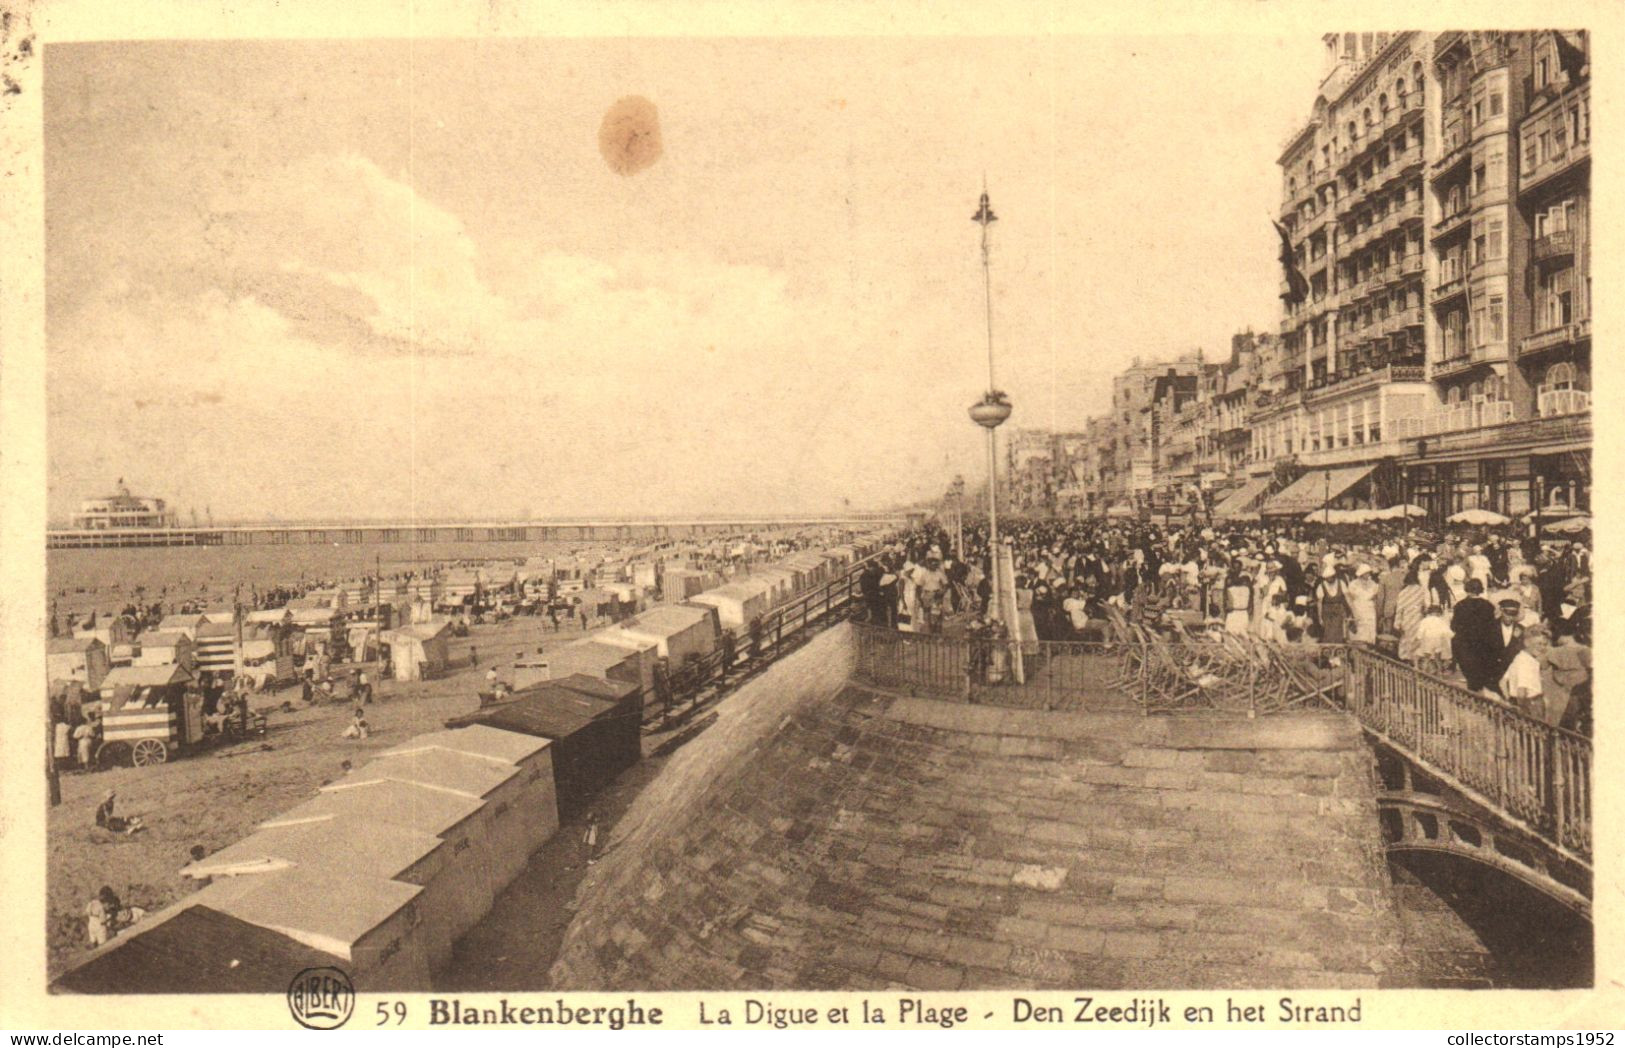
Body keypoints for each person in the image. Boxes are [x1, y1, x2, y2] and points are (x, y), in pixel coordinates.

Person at [1449, 579, 1502, 693]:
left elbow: (1454, 626)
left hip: (1465, 644)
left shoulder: (1460, 605)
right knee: (1482, 672)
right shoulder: (1488, 605)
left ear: (1466, 589)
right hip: (1483, 644)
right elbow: (1492, 625)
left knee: (1470, 673)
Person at [1346, 563, 1379, 645]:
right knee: (1360, 630)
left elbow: (1376, 596)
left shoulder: (1373, 584)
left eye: (1369, 573)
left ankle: (1370, 645)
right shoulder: (1353, 584)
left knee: (1370, 629)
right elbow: (1349, 598)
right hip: (1358, 609)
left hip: (1369, 610)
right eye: (1366, 573)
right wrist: (1353, 610)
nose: (1368, 575)